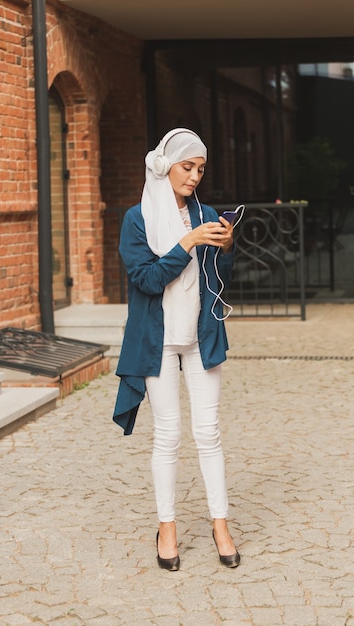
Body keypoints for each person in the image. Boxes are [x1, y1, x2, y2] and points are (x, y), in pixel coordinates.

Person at [112, 128, 240, 571]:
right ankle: (167, 526)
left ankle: (220, 523)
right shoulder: (137, 218)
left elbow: (217, 276)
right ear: (166, 166)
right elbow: (146, 280)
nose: (195, 176)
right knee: (168, 435)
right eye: (188, 167)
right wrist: (187, 243)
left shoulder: (204, 211)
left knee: (209, 432)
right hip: (158, 341)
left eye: (201, 169)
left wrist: (224, 246)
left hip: (201, 336)